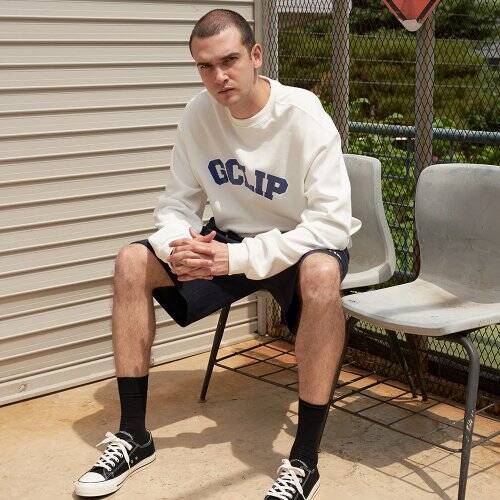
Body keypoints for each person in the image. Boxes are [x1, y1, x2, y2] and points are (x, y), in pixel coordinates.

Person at [74, 8, 361, 500]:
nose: (219, 76)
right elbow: (176, 204)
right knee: (131, 261)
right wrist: (178, 245)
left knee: (320, 273)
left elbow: (330, 225)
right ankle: (134, 436)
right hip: (226, 242)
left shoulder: (304, 115)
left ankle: (303, 460)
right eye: (205, 66)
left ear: (256, 55)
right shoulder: (198, 114)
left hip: (298, 245)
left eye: (229, 61)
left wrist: (238, 258)